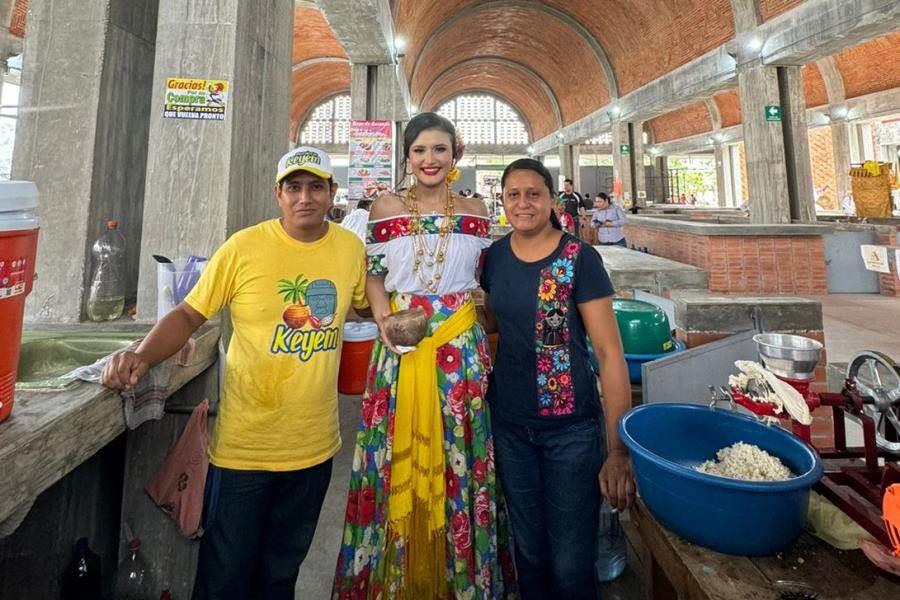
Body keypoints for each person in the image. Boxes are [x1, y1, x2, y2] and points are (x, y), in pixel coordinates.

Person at [102, 146, 369, 600]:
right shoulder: (243, 248)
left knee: (281, 573)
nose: (305, 197)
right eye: (294, 187)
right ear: (278, 195)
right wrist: (141, 355)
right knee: (226, 574)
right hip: (246, 448)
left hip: (314, 446)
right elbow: (189, 314)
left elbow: (366, 303)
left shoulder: (348, 249)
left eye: (316, 187)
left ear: (332, 194)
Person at [333, 112, 515, 599]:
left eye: (439, 149)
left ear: (454, 154)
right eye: (419, 150)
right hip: (400, 348)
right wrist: (384, 319)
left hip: (461, 353)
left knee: (463, 457)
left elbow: (490, 279)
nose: (429, 160)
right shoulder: (382, 208)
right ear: (407, 155)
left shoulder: (477, 209)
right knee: (391, 453)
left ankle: (460, 581)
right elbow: (373, 274)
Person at [479, 158, 635, 600]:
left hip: (571, 435)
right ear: (502, 201)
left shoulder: (579, 259)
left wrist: (617, 451)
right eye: (513, 195)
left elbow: (609, 355)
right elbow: (494, 325)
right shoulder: (493, 258)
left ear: (551, 200)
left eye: (534, 194)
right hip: (510, 428)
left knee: (570, 562)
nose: (523, 203)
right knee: (528, 553)